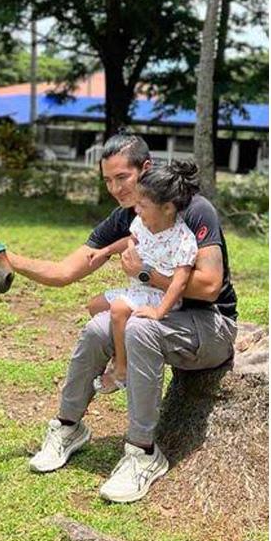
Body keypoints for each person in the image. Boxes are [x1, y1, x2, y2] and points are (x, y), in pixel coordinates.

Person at [5, 133, 238, 504]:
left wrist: (146, 274)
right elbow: (64, 272)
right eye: (107, 181)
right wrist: (3, 257)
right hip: (162, 318)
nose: (115, 189)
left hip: (210, 324)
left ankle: (143, 453)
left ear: (145, 169)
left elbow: (209, 286)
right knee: (98, 326)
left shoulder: (193, 209)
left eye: (122, 178)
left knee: (141, 329)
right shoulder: (128, 218)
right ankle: (68, 426)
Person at [88, 161, 200, 395]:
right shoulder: (142, 223)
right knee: (95, 305)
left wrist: (159, 312)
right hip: (139, 290)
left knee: (118, 309)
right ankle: (122, 350)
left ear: (167, 208)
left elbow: (179, 283)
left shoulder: (183, 240)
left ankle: (122, 370)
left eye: (142, 205)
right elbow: (132, 239)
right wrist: (106, 251)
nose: (136, 210)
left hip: (160, 297)